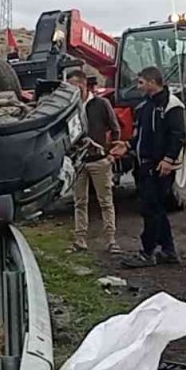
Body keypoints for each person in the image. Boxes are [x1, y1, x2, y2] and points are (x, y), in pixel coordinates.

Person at [120, 66, 186, 267]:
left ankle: (147, 253)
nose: (138, 87)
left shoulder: (172, 105)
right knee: (157, 209)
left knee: (150, 210)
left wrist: (168, 159)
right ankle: (168, 251)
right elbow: (141, 135)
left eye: (141, 82)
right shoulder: (145, 107)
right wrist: (127, 145)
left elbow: (177, 135)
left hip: (160, 166)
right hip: (146, 165)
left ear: (152, 82)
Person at [67, 69, 124, 254]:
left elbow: (115, 129)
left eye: (74, 86)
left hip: (100, 160)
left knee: (105, 201)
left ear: (83, 85)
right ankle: (80, 240)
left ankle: (111, 240)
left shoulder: (101, 104)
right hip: (79, 162)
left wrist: (111, 154)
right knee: (79, 202)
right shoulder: (69, 107)